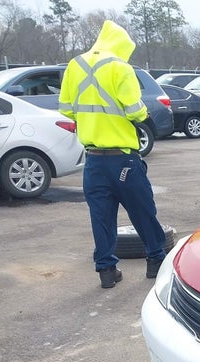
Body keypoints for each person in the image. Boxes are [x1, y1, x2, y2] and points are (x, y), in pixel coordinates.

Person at [59, 20, 166, 289]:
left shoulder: (74, 65)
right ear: (120, 45)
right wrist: (142, 113)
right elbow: (134, 111)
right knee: (143, 211)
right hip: (123, 159)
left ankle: (107, 271)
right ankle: (155, 261)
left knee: (102, 217)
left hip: (93, 159)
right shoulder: (121, 68)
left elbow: (66, 109)